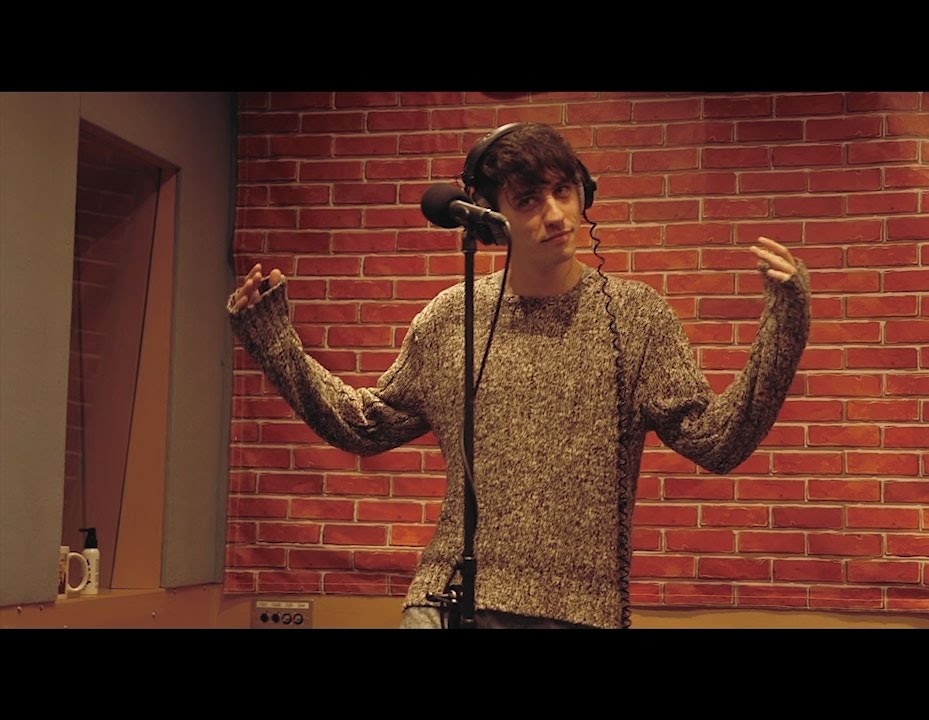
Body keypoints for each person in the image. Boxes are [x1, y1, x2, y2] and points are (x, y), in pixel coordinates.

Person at [228, 122, 811, 629]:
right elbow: (364, 424)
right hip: (448, 597)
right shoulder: (452, 317)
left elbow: (718, 442)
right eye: (528, 199)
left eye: (564, 191)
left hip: (579, 609)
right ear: (490, 220)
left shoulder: (635, 318)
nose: (555, 214)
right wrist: (274, 338)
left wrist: (785, 323)